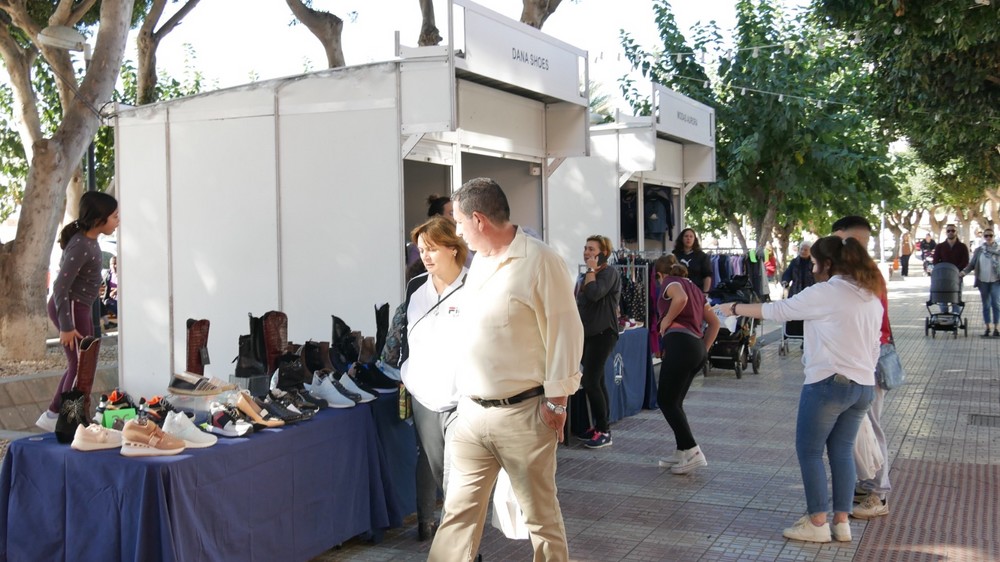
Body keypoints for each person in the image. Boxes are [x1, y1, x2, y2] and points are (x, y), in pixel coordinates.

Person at [428, 178, 583, 562]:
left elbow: (566, 333)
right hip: (471, 415)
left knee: (541, 520)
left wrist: (558, 404)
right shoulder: (479, 262)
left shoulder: (541, 260)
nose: (458, 231)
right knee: (456, 516)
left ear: (479, 220)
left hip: (524, 416)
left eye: (460, 223)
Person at [718, 235, 880, 542]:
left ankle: (817, 523)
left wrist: (734, 307)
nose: (813, 267)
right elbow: (874, 345)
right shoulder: (869, 294)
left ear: (828, 264)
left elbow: (778, 310)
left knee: (809, 452)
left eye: (816, 262)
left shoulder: (827, 292)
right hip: (862, 386)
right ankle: (841, 523)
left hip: (828, 384)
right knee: (842, 452)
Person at [401, 216, 469, 540]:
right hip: (424, 396)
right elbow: (406, 331)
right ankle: (434, 525)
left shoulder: (476, 287)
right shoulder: (416, 287)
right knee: (433, 466)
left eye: (432, 249)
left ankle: (454, 543)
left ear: (453, 249)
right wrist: (406, 368)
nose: (425, 257)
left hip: (463, 399)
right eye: (421, 250)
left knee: (457, 476)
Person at [36, 192, 121, 432]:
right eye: (114, 216)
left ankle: (58, 414)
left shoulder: (89, 242)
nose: (118, 220)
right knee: (82, 364)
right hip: (72, 309)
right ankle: (66, 418)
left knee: (80, 364)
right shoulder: (83, 244)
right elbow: (60, 286)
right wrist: (66, 325)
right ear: (98, 219)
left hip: (78, 309)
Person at [830, 215, 892, 520]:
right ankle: (866, 484)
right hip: (856, 360)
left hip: (870, 358)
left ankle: (878, 493)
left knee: (870, 425)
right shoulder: (853, 275)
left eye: (841, 242)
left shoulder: (866, 276)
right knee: (855, 428)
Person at [653, 255, 720, 475]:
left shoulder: (671, 283)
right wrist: (703, 350)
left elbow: (679, 299)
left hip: (681, 344)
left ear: (660, 275)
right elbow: (715, 323)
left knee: (665, 401)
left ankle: (692, 450)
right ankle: (682, 450)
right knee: (675, 402)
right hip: (696, 346)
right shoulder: (696, 289)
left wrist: (665, 320)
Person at [575, 234, 621, 449]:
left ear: (604, 253)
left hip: (604, 333)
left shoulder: (608, 273)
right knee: (598, 381)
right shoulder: (588, 274)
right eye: (585, 248)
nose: (587, 252)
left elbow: (594, 294)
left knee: (591, 381)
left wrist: (592, 271)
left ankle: (605, 431)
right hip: (588, 334)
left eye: (592, 249)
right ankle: (600, 425)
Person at [960, 227, 1000, 337]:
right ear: (983, 237)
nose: (988, 238)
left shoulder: (998, 250)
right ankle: (988, 327)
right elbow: (972, 264)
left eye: (990, 235)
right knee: (986, 305)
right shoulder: (979, 250)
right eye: (986, 236)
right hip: (983, 281)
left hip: (996, 281)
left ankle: (997, 327)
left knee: (996, 304)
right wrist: (963, 273)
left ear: (994, 237)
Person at [406, 194, 456, 280]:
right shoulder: (417, 247)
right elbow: (415, 275)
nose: (455, 218)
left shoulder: (462, 240)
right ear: (438, 217)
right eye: (451, 213)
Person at [672, 227, 712, 293]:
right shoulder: (675, 255)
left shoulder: (702, 256)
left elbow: (707, 276)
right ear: (682, 238)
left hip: (696, 292)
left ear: (694, 239)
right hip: (678, 292)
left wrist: (705, 293)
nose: (688, 238)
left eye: (691, 236)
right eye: (686, 236)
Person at [101, 255, 119, 328]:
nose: (114, 266)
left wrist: (116, 290)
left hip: (123, 299)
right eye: (112, 264)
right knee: (104, 303)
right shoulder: (108, 274)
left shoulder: (123, 273)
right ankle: (107, 323)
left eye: (116, 263)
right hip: (111, 299)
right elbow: (101, 283)